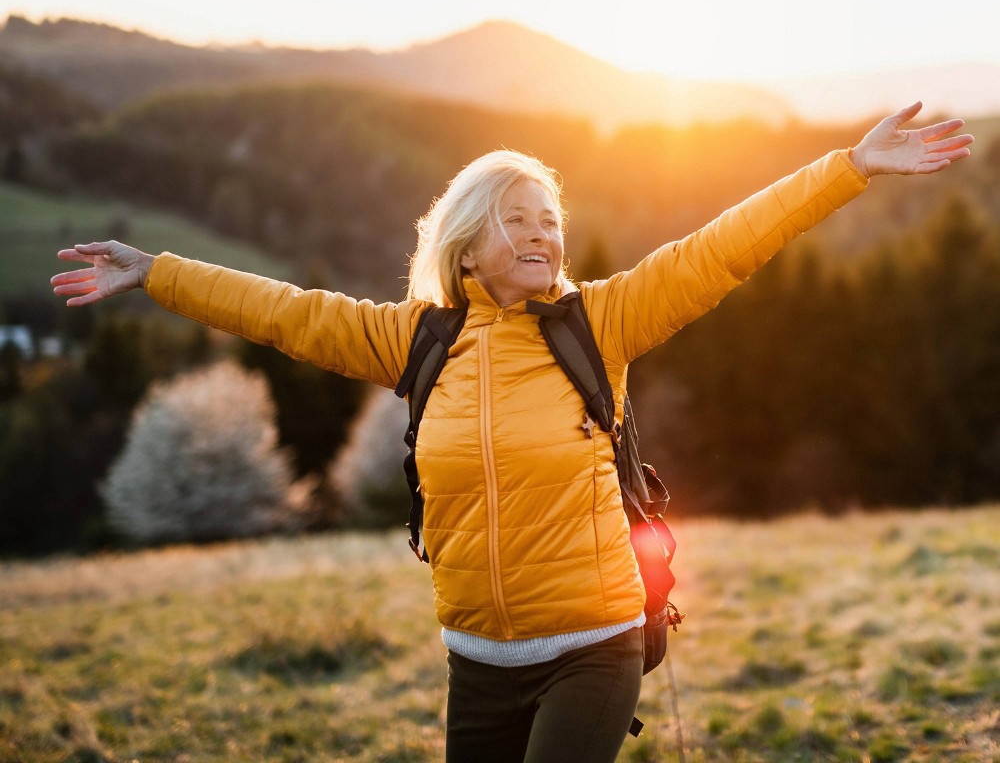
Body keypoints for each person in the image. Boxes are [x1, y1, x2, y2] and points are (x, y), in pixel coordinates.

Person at [51, 101, 971, 763]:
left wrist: (847, 168)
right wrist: (156, 272)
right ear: (466, 243)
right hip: (477, 660)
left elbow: (724, 246)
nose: (543, 235)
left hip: (596, 645)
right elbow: (283, 312)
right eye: (517, 219)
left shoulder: (599, 325)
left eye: (552, 221)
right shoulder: (417, 342)